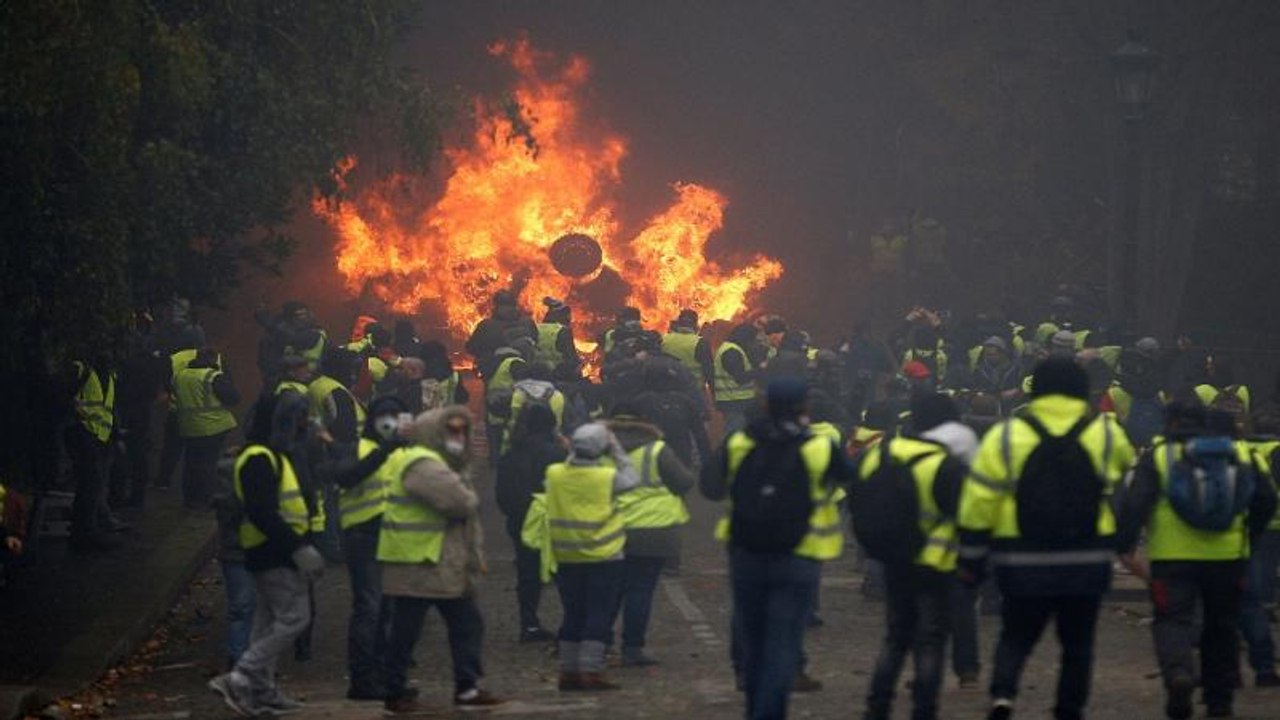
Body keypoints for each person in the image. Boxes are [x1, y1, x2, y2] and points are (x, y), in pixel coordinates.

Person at [957, 357, 1134, 720]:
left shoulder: (1006, 435)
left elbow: (979, 501)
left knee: (1016, 635)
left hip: (1021, 555)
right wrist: (1123, 541)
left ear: (1033, 388)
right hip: (1087, 556)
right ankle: (1069, 709)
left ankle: (1003, 695)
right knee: (1078, 644)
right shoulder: (1105, 432)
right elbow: (1128, 489)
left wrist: (972, 557)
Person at [701, 378, 852, 720]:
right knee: (782, 642)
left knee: (753, 640)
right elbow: (849, 477)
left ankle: (755, 704)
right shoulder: (819, 446)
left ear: (765, 405)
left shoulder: (740, 441)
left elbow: (710, 487)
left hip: (745, 549)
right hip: (800, 552)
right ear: (805, 407)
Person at [1116, 404, 1277, 719]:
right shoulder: (1242, 455)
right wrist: (1248, 537)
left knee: (1172, 621)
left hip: (1172, 560)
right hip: (1228, 558)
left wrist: (1125, 544)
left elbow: (1135, 503)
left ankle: (1179, 672)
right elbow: (1267, 500)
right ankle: (1219, 701)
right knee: (1222, 627)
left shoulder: (1160, 455)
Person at [853, 392, 973, 720]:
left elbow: (857, 503)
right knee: (930, 641)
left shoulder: (880, 454)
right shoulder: (942, 461)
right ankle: (924, 709)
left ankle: (877, 706)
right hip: (935, 564)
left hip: (893, 561)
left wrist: (874, 548)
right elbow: (965, 516)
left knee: (895, 638)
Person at [379, 406, 504, 713]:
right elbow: (460, 502)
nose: (458, 438)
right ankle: (401, 689)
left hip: (437, 562)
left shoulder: (434, 462)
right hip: (422, 561)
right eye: (452, 432)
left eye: (463, 431)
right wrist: (466, 483)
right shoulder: (424, 464)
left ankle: (466, 686)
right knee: (409, 632)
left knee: (459, 624)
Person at [208, 393, 325, 717]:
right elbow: (263, 512)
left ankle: (262, 690)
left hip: (274, 550)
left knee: (266, 621)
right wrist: (298, 547)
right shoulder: (259, 458)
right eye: (298, 418)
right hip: (273, 551)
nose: (304, 424)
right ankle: (242, 676)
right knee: (294, 618)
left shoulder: (273, 454)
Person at [546, 422, 640, 691]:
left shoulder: (554, 474)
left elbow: (567, 468)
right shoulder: (606, 477)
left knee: (572, 612)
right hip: (604, 554)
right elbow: (632, 478)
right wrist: (616, 448)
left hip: (566, 554)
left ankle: (568, 671)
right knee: (599, 613)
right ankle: (590, 670)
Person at [330, 396, 411, 700]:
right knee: (369, 607)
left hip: (395, 538)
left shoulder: (404, 454)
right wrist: (382, 453)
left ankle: (384, 676)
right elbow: (347, 476)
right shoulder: (357, 449)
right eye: (384, 416)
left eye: (396, 415)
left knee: (389, 610)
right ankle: (362, 680)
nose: (389, 421)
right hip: (363, 538)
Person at [608, 403, 696, 666]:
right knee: (641, 589)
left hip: (610, 528)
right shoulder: (656, 450)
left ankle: (598, 643)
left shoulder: (600, 451)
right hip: (654, 530)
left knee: (610, 589)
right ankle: (632, 648)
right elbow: (683, 482)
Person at [495, 404, 567, 642]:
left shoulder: (511, 453)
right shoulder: (557, 453)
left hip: (520, 519)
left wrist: (515, 513)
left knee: (527, 573)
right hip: (553, 518)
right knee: (564, 572)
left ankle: (529, 622)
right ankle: (571, 622)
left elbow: (502, 492)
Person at [1238, 409, 1280, 687]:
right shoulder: (1277, 449)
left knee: (1259, 571)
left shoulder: (1242, 449)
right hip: (1275, 518)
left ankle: (1224, 673)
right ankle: (1264, 666)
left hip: (1250, 528)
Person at [172, 348, 239, 509]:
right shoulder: (213, 376)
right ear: (212, 359)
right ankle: (205, 499)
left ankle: (190, 499)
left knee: (190, 463)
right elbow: (233, 397)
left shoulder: (179, 376)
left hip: (188, 426)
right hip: (213, 427)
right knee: (208, 464)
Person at [65, 357, 118, 554]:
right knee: (90, 484)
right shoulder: (81, 369)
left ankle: (88, 531)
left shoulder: (108, 372)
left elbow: (108, 406)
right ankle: (84, 534)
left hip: (99, 435)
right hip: (82, 431)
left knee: (93, 485)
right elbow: (65, 396)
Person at [714, 323, 763, 436]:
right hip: (735, 402)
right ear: (746, 338)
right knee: (734, 434)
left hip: (735, 401)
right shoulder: (731, 352)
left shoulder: (732, 349)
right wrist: (760, 369)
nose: (755, 343)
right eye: (753, 340)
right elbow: (740, 377)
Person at [662, 309, 714, 392]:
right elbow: (709, 373)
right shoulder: (700, 343)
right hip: (693, 391)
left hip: (668, 390)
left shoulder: (664, 339)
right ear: (695, 325)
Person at [534, 297, 579, 370]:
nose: (570, 319)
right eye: (568, 316)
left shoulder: (535, 328)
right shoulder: (563, 331)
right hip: (558, 372)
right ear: (561, 316)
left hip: (538, 371)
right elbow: (571, 356)